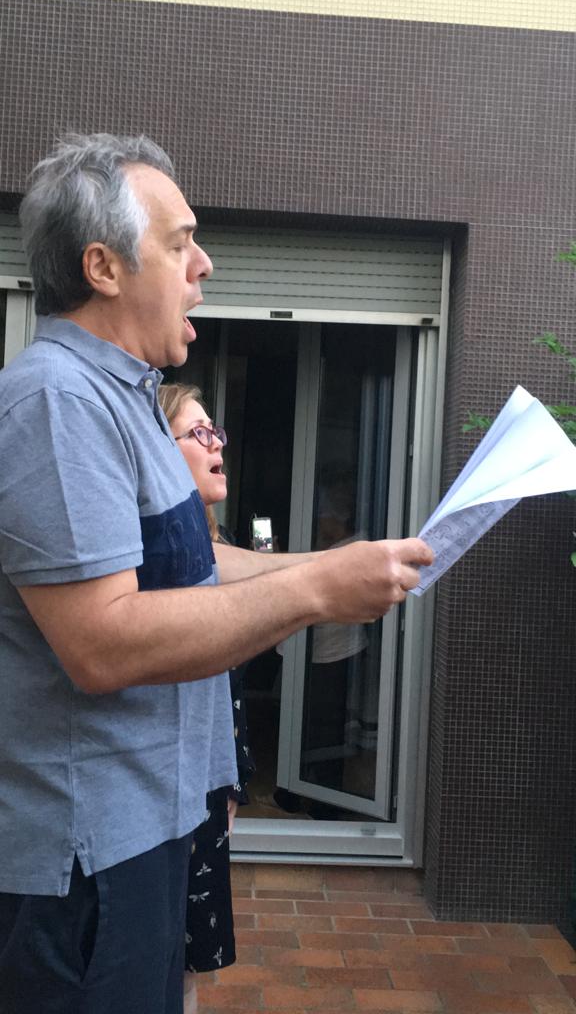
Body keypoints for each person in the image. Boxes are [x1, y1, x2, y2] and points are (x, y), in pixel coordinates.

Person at [0, 132, 433, 1014]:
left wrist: (333, 563)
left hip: (150, 828)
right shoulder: (56, 403)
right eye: (179, 243)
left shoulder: (125, 398)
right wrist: (314, 593)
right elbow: (102, 641)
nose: (204, 264)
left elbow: (188, 564)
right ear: (102, 267)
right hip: (85, 862)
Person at [158, 381, 254, 1014]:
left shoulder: (214, 545)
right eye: (198, 432)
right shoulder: (152, 559)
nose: (217, 443)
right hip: (168, 786)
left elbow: (226, 687)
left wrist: (232, 776)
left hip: (208, 780)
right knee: (160, 953)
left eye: (216, 430)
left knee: (190, 956)